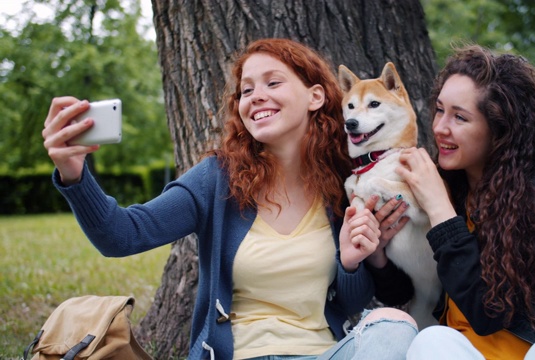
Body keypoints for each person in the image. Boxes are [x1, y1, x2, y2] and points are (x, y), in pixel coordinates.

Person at [41, 38, 418, 360]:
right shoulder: (217, 178)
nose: (257, 97)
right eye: (247, 89)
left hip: (322, 351)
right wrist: (75, 174)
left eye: (273, 82)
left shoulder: (344, 185)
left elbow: (352, 305)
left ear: (315, 96)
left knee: (396, 327)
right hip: (239, 353)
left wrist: (352, 265)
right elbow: (122, 235)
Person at [370, 45, 535, 359]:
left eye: (460, 117)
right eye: (439, 110)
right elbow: (405, 292)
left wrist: (439, 209)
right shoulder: (447, 186)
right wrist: (380, 254)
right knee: (431, 340)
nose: (439, 128)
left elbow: (488, 311)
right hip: (467, 352)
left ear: (499, 128)